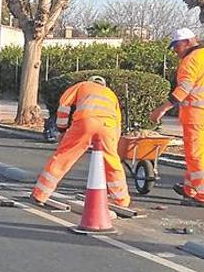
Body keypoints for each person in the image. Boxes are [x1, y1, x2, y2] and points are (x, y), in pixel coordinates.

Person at [30, 75, 131, 208]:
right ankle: (122, 200)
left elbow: (64, 106)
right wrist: (113, 143)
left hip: (86, 122)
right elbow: (118, 122)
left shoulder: (81, 86)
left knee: (63, 158)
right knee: (112, 163)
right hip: (108, 127)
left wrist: (62, 129)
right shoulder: (111, 94)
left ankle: (40, 194)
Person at [150, 28, 204, 208]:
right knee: (201, 156)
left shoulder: (190, 61)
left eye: (177, 46)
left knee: (195, 156)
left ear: (189, 42)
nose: (175, 51)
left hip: (196, 115)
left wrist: (162, 109)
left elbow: (183, 90)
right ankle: (190, 189)